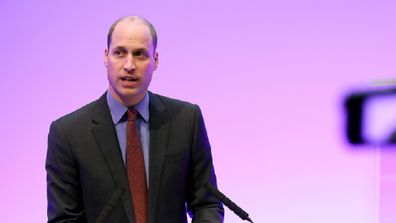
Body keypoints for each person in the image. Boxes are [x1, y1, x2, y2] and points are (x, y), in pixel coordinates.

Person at [46, 16, 224, 223]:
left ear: (155, 60)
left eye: (140, 54)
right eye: (119, 53)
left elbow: (207, 203)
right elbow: (64, 219)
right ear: (106, 57)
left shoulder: (186, 120)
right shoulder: (68, 134)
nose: (129, 65)